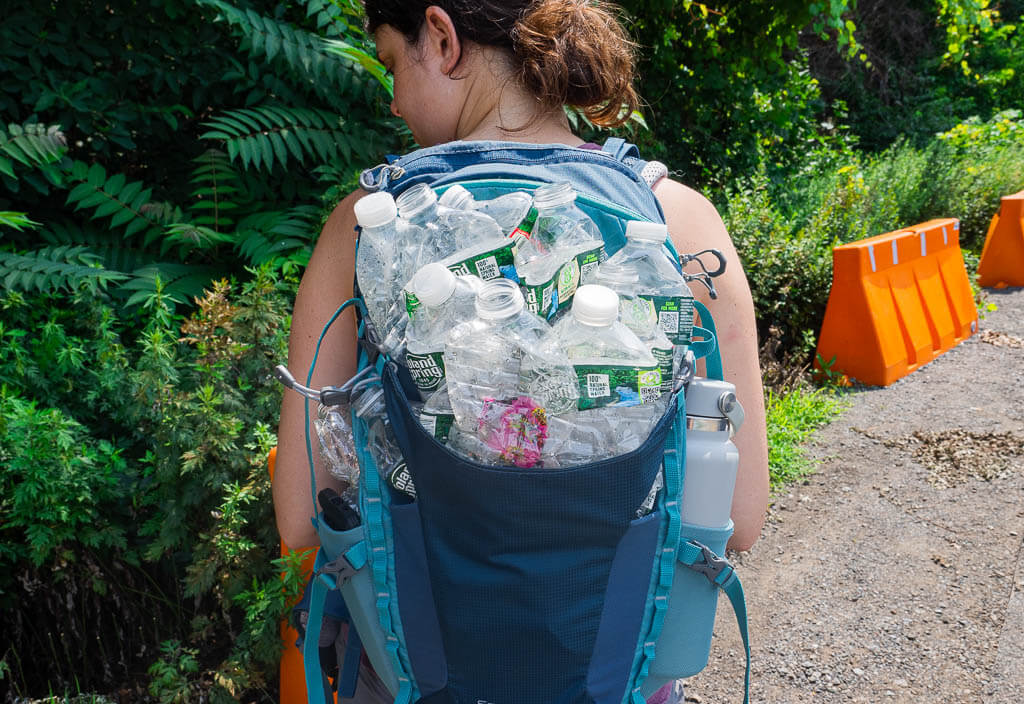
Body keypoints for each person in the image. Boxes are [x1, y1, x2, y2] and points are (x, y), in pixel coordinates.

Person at [273, 1, 769, 701]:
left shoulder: (362, 229)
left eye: (391, 63)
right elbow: (738, 518)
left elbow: (300, 517)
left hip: (419, 673)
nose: (392, 100)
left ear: (441, 38)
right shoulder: (678, 218)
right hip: (613, 670)